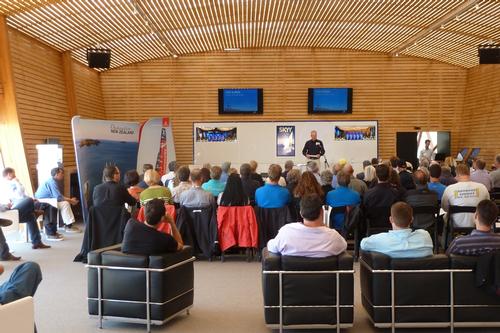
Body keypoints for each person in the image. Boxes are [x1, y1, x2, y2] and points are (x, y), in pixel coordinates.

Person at [267, 193, 347, 258]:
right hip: (324, 277)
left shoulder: (286, 232)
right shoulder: (333, 236)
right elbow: (344, 246)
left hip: (292, 277)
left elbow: (271, 246)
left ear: (301, 213)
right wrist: (326, 228)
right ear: (322, 212)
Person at [360, 202, 433, 258]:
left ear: (391, 219)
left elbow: (363, 244)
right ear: (412, 219)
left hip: (391, 277)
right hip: (421, 277)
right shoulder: (425, 236)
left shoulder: (380, 240)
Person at [1, 168, 49, 250]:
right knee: (29, 200)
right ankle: (34, 211)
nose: (15, 174)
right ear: (9, 174)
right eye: (13, 173)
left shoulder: (12, 183)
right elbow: (19, 194)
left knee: (31, 217)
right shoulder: (8, 184)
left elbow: (21, 196)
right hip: (10, 212)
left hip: (14, 208)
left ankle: (37, 243)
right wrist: (16, 181)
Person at [35, 167, 80, 239]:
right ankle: (68, 226)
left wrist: (70, 200)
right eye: (61, 173)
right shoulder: (52, 182)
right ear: (56, 174)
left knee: (65, 203)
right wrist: (71, 200)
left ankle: (68, 225)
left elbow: (58, 197)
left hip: (47, 199)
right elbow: (58, 197)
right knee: (65, 204)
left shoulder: (52, 180)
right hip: (43, 201)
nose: (63, 175)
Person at [441, 164, 490, 228]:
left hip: (455, 225)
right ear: (469, 173)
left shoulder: (449, 189)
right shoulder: (482, 187)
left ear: (457, 174)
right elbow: (487, 205)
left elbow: (445, 208)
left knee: (445, 216)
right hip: (477, 223)